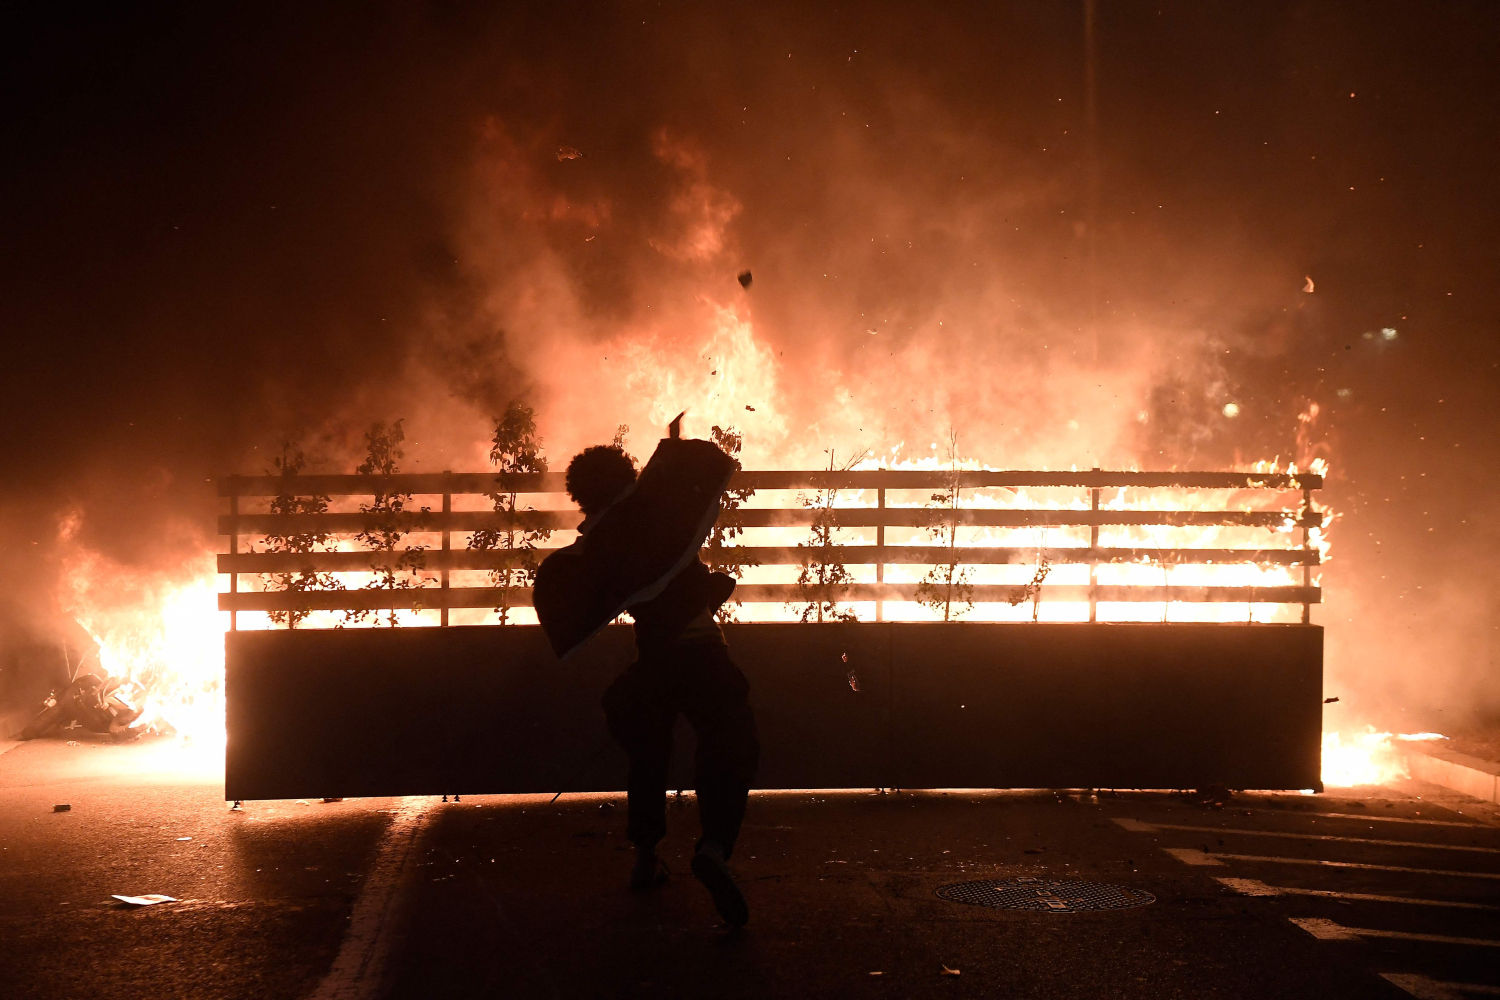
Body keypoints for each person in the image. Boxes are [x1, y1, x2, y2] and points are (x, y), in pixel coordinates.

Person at [563, 443, 760, 928]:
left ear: (583, 498)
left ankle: (646, 856)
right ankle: (714, 847)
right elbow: (680, 581)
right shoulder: (658, 517)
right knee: (730, 744)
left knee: (648, 755)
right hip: (701, 653)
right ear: (630, 477)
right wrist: (713, 587)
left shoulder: (602, 546)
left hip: (653, 660)